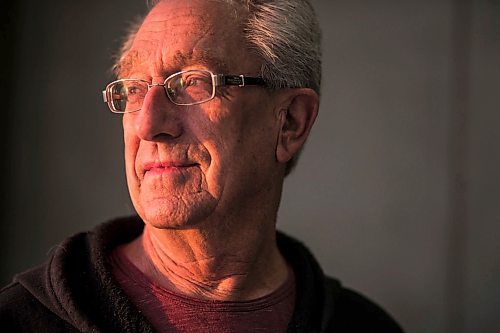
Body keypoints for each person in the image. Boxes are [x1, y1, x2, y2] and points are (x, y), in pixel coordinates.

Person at [0, 0, 404, 332]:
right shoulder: (20, 320)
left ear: (290, 123)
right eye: (135, 89)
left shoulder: (366, 327)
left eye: (193, 81)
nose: (148, 124)